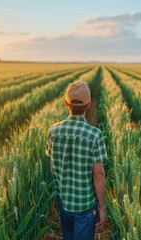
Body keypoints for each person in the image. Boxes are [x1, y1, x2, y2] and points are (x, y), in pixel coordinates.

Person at [46, 81, 108, 240]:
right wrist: (103, 207)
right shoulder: (94, 135)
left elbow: (53, 165)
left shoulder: (53, 131)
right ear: (89, 104)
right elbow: (99, 175)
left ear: (66, 103)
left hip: (64, 202)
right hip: (85, 206)